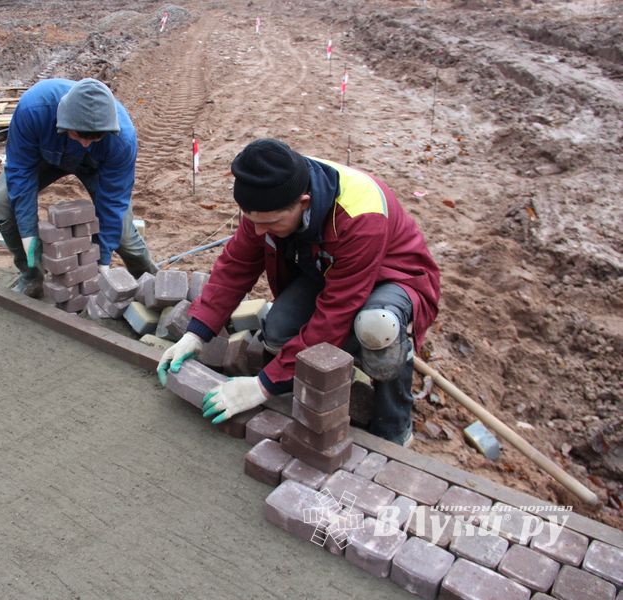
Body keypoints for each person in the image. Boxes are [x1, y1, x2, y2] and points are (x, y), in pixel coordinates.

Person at [157, 139, 440, 446]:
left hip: (393, 277)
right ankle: (343, 369)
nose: (260, 232)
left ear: (304, 202)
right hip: (331, 268)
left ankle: (395, 426)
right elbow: (236, 265)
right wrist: (195, 334)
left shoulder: (361, 216)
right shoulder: (269, 192)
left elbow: (336, 312)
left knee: (376, 327)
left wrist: (262, 387)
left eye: (271, 224)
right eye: (254, 223)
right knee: (278, 333)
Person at [0, 78, 157, 298]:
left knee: (123, 233)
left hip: (95, 165)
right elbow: (20, 177)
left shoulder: (121, 139)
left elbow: (113, 204)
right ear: (64, 123)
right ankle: (31, 276)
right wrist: (30, 239)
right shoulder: (33, 110)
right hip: (46, 156)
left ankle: (151, 285)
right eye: (79, 135)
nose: (86, 143)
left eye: (95, 137)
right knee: (2, 200)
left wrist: (101, 264)